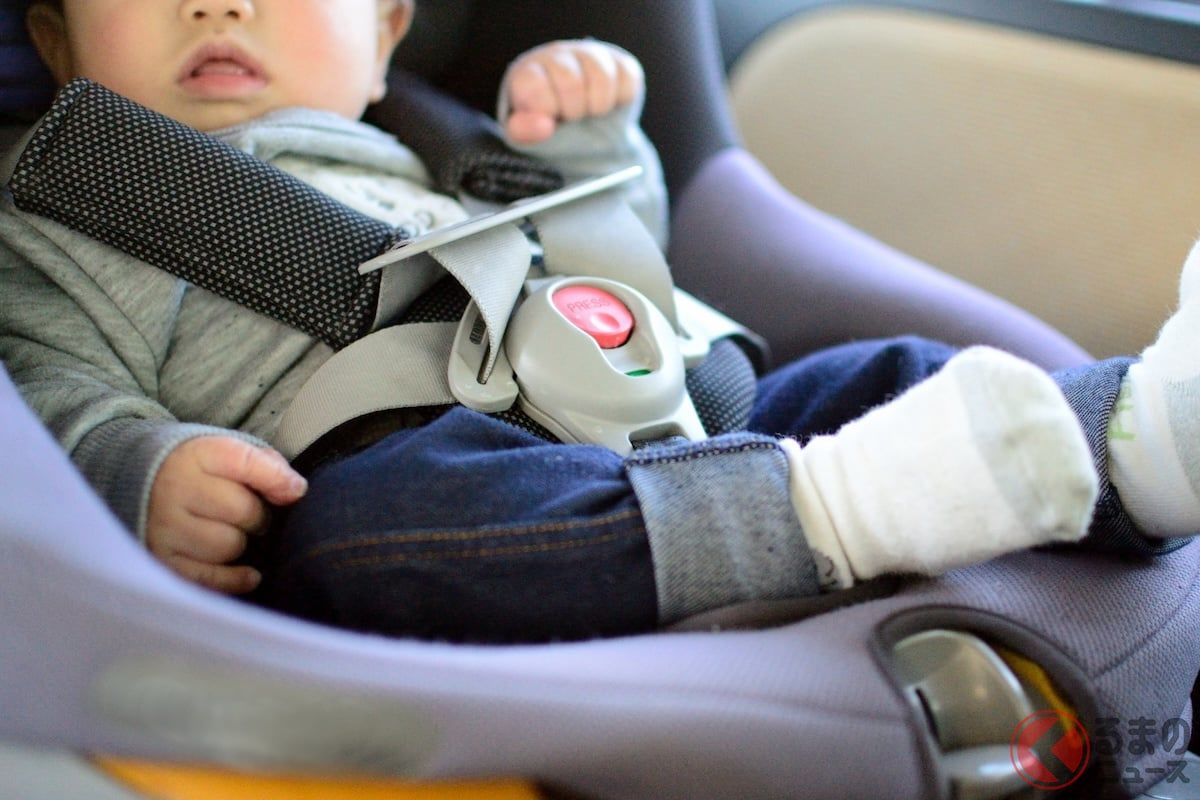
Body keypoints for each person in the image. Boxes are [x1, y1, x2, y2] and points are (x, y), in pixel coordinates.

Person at [0, 0, 1193, 642]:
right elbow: (40, 395)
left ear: (383, 37)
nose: (219, 4)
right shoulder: (55, 208)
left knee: (888, 371)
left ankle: (1132, 444)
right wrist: (138, 468)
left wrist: (585, 156)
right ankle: (837, 509)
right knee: (365, 538)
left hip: (666, 418)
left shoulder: (447, 151)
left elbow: (617, 273)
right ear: (54, 42)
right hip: (409, 471)